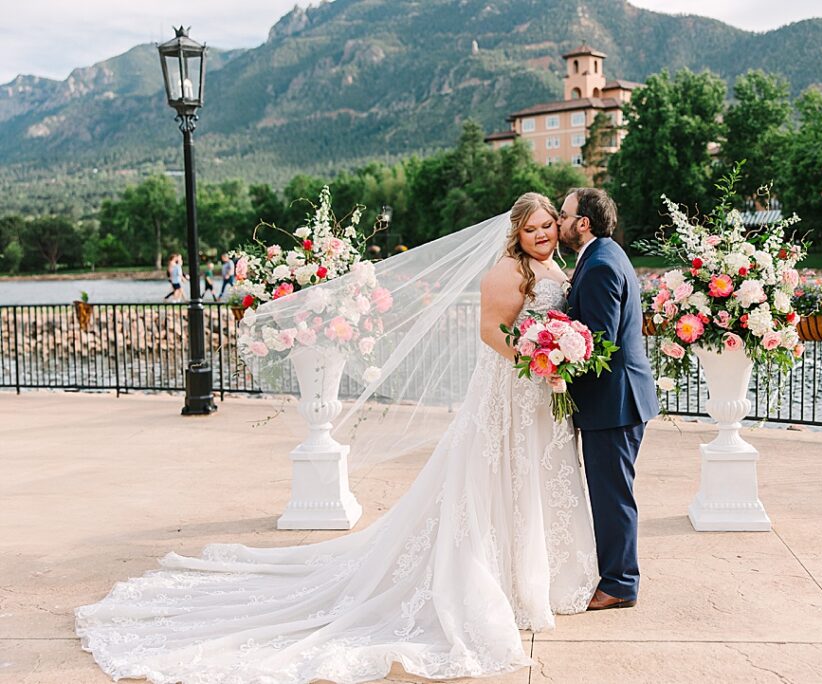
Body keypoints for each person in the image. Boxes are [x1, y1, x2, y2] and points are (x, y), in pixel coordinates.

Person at [76, 193, 600, 683]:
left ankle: (533, 576)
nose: (541, 236)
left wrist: (554, 358)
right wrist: (536, 360)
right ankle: (495, 581)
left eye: (547, 227)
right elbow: (491, 332)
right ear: (517, 232)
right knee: (495, 478)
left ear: (557, 227)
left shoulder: (553, 267)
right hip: (509, 391)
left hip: (537, 394)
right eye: (531, 229)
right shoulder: (505, 271)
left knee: (527, 477)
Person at [558, 188, 659, 611]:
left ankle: (619, 583)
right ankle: (614, 574)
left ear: (583, 222)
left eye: (563, 215)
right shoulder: (605, 255)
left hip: (613, 404)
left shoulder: (599, 265)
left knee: (612, 496)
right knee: (610, 492)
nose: (559, 222)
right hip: (617, 401)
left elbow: (596, 343)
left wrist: (553, 360)